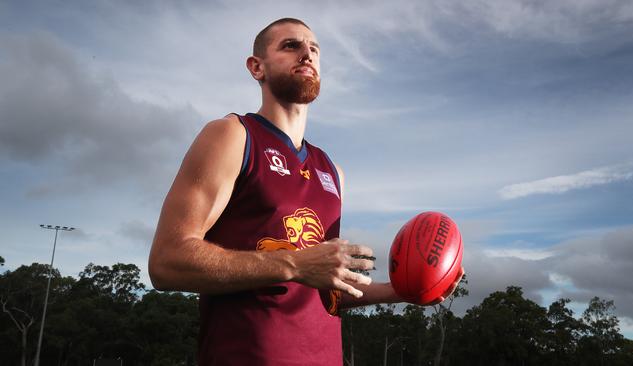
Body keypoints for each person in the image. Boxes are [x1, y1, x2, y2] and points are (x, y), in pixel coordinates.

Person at [148, 18, 462, 366]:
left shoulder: (333, 172)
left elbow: (324, 290)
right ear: (257, 67)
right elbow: (166, 262)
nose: (307, 54)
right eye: (290, 46)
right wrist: (293, 263)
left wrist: (400, 291)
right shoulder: (232, 136)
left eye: (314, 49)